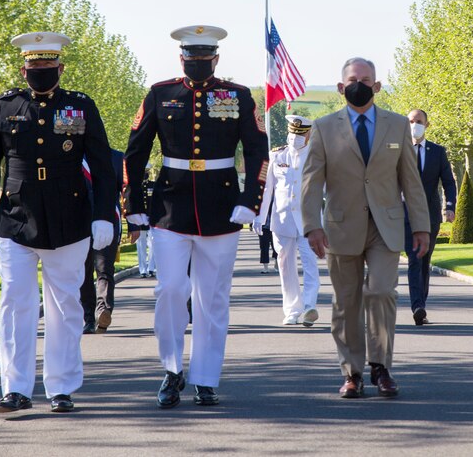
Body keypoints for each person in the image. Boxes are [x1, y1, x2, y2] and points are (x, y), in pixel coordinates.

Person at [124, 25, 269, 409]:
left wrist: (250, 200)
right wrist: (133, 203)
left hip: (222, 207)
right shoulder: (161, 93)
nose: (198, 66)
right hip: (170, 206)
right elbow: (134, 152)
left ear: (216, 60)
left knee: (213, 299)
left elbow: (258, 151)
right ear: (181, 59)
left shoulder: (237, 96)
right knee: (169, 290)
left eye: (205, 60)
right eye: (192, 60)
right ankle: (171, 370)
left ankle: (206, 377)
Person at [0, 31, 118, 414]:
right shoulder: (7, 105)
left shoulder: (80, 106)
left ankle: (61, 387)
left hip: (69, 220)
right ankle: (16, 389)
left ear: (61, 68)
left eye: (48, 66)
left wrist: (104, 215)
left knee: (65, 307)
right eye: (34, 66)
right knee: (16, 303)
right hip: (17, 220)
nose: (40, 72)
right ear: (24, 69)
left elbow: (104, 168)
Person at [301, 57, 430, 399]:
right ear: (342, 87)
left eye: (366, 79)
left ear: (377, 85)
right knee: (346, 302)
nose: (360, 84)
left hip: (385, 227)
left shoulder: (397, 125)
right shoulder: (324, 127)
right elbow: (311, 182)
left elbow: (411, 180)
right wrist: (311, 225)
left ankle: (381, 367)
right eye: (353, 80)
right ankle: (352, 373)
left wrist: (421, 226)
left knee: (382, 292)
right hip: (341, 227)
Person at [256, 114, 320, 327]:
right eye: (293, 133)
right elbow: (267, 188)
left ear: (309, 134)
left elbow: (328, 190)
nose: (295, 137)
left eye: (300, 134)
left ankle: (310, 305)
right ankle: (292, 310)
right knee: (285, 266)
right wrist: (260, 215)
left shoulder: (316, 156)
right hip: (282, 219)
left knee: (310, 263)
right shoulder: (276, 155)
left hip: (309, 221)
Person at [404, 109, 457, 326]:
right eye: (410, 121)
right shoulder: (398, 150)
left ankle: (421, 305)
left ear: (427, 125)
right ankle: (417, 305)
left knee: (425, 259)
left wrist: (450, 206)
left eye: (418, 121)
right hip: (405, 213)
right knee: (414, 257)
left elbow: (449, 181)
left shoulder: (437, 152)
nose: (414, 124)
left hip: (430, 214)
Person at [80, 148, 126, 333]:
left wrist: (134, 222)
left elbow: (124, 189)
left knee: (105, 269)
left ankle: (103, 311)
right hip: (81, 221)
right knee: (84, 272)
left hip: (108, 219)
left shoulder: (116, 157)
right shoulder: (75, 154)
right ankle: (89, 317)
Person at [134, 171, 156, 278]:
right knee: (141, 245)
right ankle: (143, 269)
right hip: (140, 219)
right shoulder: (136, 187)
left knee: (153, 244)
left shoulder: (153, 185)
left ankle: (151, 268)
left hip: (151, 219)